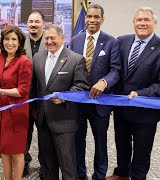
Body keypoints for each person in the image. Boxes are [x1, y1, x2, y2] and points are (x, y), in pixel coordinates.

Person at [30, 24, 89, 180]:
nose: (49, 41)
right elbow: (35, 86)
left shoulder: (76, 59)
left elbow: (82, 87)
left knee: (67, 165)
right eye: (47, 38)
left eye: (52, 38)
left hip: (65, 121)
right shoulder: (38, 57)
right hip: (43, 121)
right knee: (47, 163)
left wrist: (65, 96)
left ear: (62, 38)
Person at [107, 7, 160, 180]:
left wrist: (140, 93)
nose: (142, 23)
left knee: (141, 151)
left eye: (146, 20)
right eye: (139, 20)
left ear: (155, 23)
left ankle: (138, 177)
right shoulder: (121, 41)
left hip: (145, 112)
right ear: (133, 23)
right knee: (121, 144)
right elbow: (114, 69)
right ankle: (122, 173)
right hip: (121, 109)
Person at [70, 4, 121, 180]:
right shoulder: (75, 40)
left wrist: (103, 82)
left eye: (96, 17)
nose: (92, 20)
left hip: (100, 103)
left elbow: (116, 70)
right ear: (85, 18)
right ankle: (80, 174)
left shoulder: (112, 42)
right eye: (89, 16)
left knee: (100, 143)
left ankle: (99, 176)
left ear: (102, 19)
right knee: (78, 141)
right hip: (79, 102)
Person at [0, 26, 32, 180]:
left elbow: (23, 91)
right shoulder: (1, 56)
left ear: (20, 43)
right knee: (4, 148)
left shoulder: (24, 62)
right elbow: (1, 79)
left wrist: (0, 91)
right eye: (7, 39)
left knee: (17, 151)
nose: (10, 43)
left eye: (14, 39)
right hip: (1, 108)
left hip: (16, 110)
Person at [23, 10, 46, 178]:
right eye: (31, 21)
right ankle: (23, 161)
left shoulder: (51, 41)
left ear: (43, 24)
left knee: (45, 134)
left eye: (37, 22)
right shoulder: (20, 41)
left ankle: (46, 166)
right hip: (24, 98)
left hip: (45, 98)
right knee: (24, 134)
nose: (33, 24)